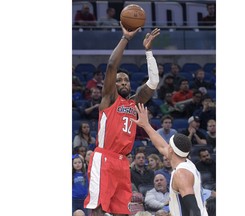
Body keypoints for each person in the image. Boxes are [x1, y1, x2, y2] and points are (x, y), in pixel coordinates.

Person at [84, 24, 161, 216]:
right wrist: (126, 38)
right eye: (119, 80)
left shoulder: (134, 102)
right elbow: (111, 65)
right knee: (99, 208)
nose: (123, 82)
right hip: (105, 158)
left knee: (122, 211)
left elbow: (153, 83)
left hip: (123, 162)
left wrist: (148, 52)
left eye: (126, 80)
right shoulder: (109, 98)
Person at [132, 103, 208, 216]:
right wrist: (146, 125)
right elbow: (161, 146)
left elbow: (194, 210)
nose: (167, 146)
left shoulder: (181, 173)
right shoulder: (187, 162)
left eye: (169, 146)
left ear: (171, 150)